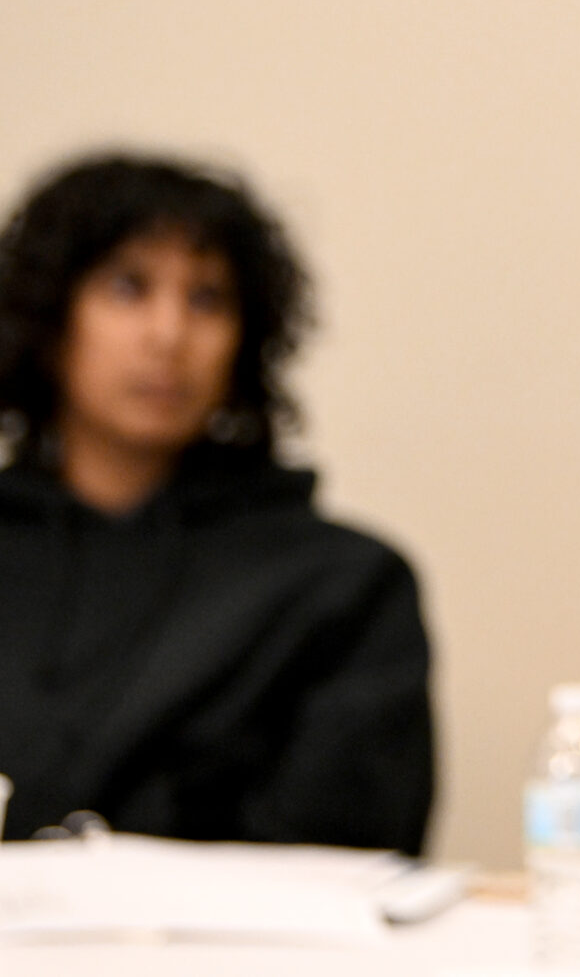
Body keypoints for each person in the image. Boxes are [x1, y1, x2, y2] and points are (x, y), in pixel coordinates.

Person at [0, 152, 434, 851]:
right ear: (51, 317)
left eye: (207, 299)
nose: (168, 335)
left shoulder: (339, 584)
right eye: (127, 286)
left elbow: (340, 862)